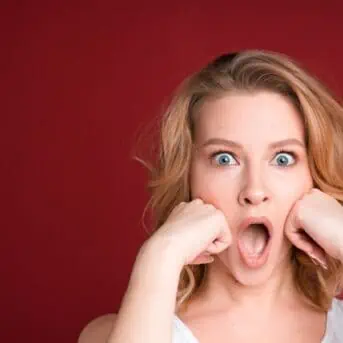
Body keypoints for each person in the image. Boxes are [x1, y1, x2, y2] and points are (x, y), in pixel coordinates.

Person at [78, 50, 343, 343]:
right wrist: (161, 254)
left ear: (314, 177)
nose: (254, 191)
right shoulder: (117, 333)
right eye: (225, 159)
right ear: (188, 176)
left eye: (282, 159)